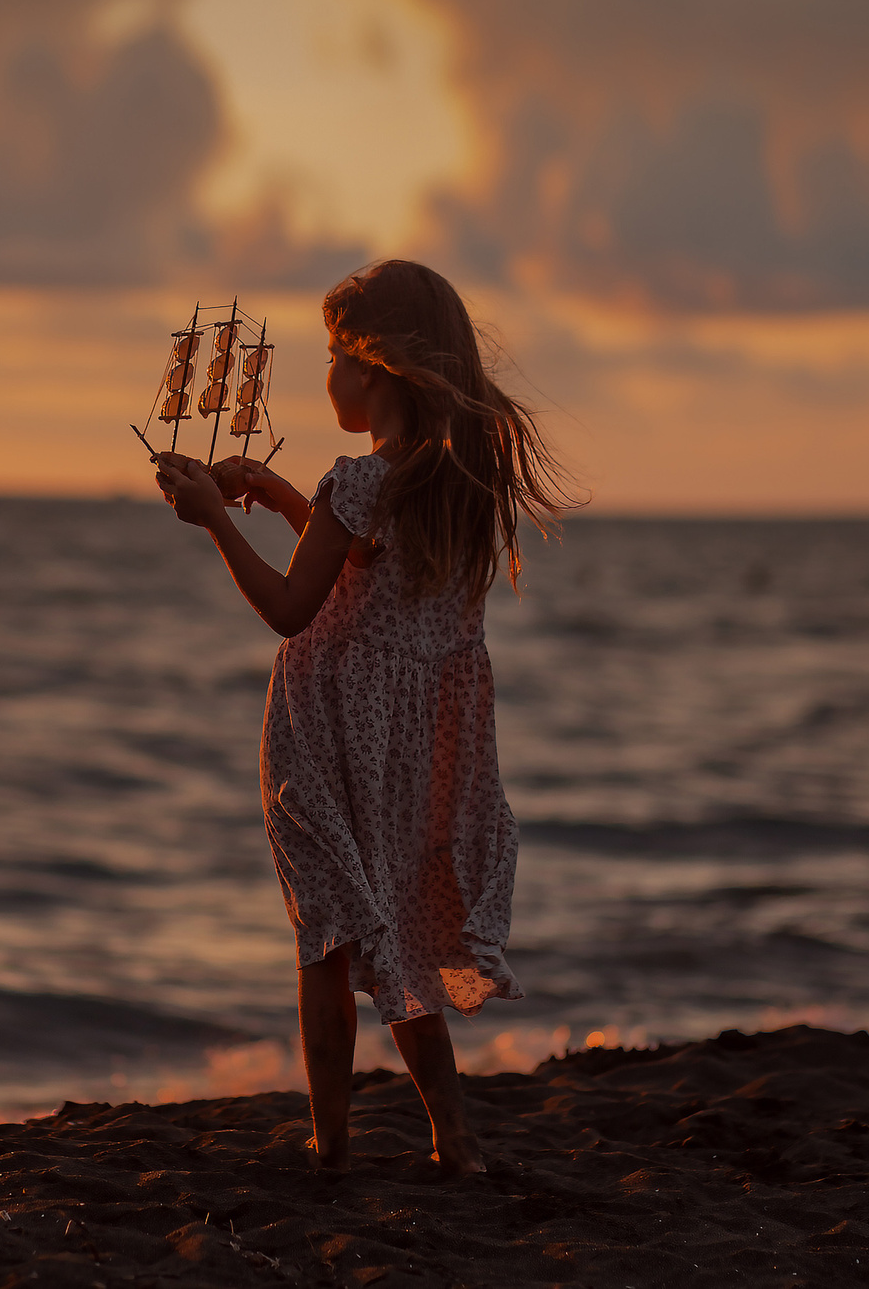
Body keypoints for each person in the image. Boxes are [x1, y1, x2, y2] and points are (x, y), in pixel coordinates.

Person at [151, 259, 580, 1177]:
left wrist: (214, 521)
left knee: (329, 936)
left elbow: (292, 606)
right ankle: (452, 1133)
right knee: (394, 935)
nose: (330, 375)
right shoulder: (447, 483)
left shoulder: (360, 480)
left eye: (337, 355)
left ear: (378, 366)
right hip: (415, 751)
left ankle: (331, 1143)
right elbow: (368, 566)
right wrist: (277, 497)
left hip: (332, 739)